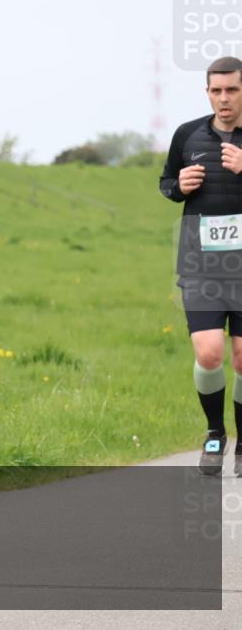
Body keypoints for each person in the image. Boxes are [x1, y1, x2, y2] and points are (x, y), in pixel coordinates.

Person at [159, 56, 242, 476]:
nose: (223, 99)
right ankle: (215, 433)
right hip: (201, 265)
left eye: (232, 90)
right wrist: (179, 187)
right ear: (208, 92)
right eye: (216, 91)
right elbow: (166, 182)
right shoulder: (187, 134)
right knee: (209, 354)